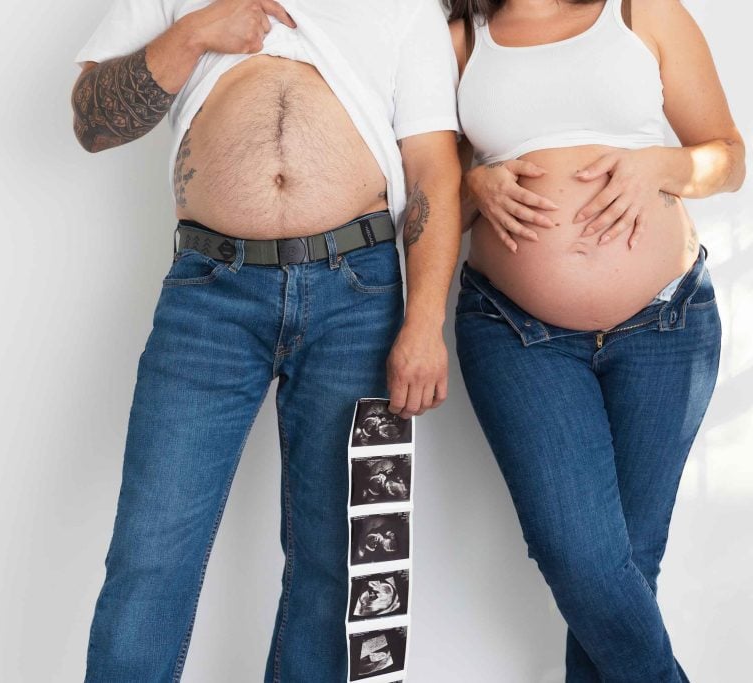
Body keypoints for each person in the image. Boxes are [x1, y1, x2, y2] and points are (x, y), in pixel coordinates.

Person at [70, 0, 461, 679]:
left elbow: (434, 168)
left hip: (359, 296)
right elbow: (91, 123)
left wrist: (425, 321)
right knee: (151, 550)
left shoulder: (405, 7)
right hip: (209, 294)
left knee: (338, 558)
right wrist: (194, 31)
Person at [445, 0, 745, 680]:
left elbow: (728, 156)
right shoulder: (464, 38)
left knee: (627, 565)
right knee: (580, 555)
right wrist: (472, 180)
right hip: (516, 330)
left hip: (666, 322)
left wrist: (660, 167)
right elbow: (424, 194)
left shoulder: (642, 12)